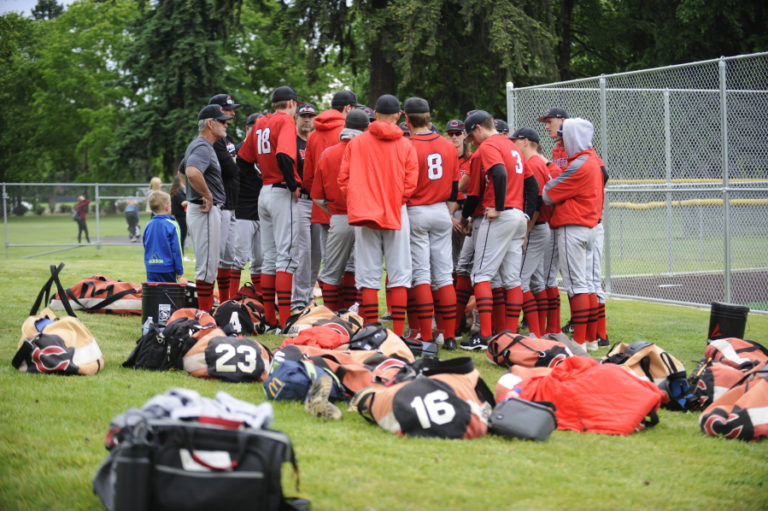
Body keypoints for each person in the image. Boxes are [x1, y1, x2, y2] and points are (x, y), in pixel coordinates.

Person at [338, 93, 418, 336]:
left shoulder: (356, 143)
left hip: (365, 211)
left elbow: (343, 180)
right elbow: (411, 182)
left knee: (367, 274)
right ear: (398, 116)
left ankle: (370, 331)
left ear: (374, 114)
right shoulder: (406, 144)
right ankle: (397, 333)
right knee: (400, 273)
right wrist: (393, 202)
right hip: (396, 210)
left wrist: (360, 201)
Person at [458, 110, 539, 350]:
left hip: (500, 216)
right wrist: (525, 214)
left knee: (480, 275)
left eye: (471, 136)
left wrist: (499, 206)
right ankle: (510, 336)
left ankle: (485, 337)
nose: (472, 142)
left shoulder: (490, 145)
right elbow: (532, 185)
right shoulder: (512, 147)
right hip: (518, 217)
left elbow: (499, 173)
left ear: (478, 128)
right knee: (511, 279)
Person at [237, 86, 300, 330]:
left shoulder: (261, 122)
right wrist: (292, 184)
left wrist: (261, 181)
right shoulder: (286, 120)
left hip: (264, 192)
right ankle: (284, 321)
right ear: (292, 103)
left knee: (270, 257)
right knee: (286, 256)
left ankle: (271, 319)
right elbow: (284, 155)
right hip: (281, 192)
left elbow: (243, 160)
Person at [403, 97, 460, 353]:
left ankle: (426, 336)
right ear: (428, 116)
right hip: (441, 210)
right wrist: (448, 210)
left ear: (407, 118)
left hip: (416, 210)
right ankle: (449, 336)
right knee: (445, 276)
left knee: (422, 275)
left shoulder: (407, 145)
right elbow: (455, 187)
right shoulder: (448, 145)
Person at [542, 117, 605, 350]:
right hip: (588, 227)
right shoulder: (592, 159)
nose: (562, 140)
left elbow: (548, 194)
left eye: (565, 135)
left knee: (576, 286)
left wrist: (550, 167)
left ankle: (578, 342)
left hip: (574, 227)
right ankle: (590, 339)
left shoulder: (580, 163)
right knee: (586, 284)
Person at [303, 90, 361, 309]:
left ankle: (330, 313)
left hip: (325, 208)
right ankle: (349, 311)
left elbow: (308, 178)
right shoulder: (353, 133)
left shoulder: (313, 134)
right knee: (352, 265)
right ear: (348, 108)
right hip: (353, 210)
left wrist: (327, 204)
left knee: (330, 265)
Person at [311, 109, 369, 311]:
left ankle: (330, 314)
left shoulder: (328, 153)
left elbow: (317, 196)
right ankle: (359, 314)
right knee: (364, 272)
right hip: (365, 217)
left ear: (345, 128)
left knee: (331, 271)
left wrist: (333, 209)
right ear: (365, 129)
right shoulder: (369, 152)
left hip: (339, 216)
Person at [181, 104, 231, 312]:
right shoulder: (202, 146)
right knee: (207, 267)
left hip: (202, 210)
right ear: (210, 123)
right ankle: (204, 314)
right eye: (222, 121)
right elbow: (191, 171)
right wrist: (207, 195)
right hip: (205, 210)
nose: (226, 124)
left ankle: (206, 312)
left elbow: (182, 170)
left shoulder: (201, 145)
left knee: (209, 265)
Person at [510, 127, 550, 338]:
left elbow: (537, 203)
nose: (512, 144)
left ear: (525, 142)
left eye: (515, 141)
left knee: (519, 280)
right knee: (536, 281)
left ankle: (535, 332)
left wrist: (526, 232)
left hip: (535, 228)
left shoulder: (533, 164)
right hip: (540, 227)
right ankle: (540, 331)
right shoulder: (538, 162)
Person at [208, 93, 241, 302]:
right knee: (216, 256)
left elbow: (234, 164)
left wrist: (235, 159)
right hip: (220, 204)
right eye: (228, 110)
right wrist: (236, 159)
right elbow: (229, 168)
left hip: (232, 203)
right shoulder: (215, 140)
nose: (232, 114)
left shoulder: (227, 138)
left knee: (228, 256)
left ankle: (225, 300)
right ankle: (212, 301)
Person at [291, 102, 319, 314]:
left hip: (317, 201)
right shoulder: (293, 141)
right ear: (297, 118)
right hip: (300, 199)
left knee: (316, 252)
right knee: (303, 250)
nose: (307, 119)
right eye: (304, 116)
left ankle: (308, 295)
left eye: (310, 116)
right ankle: (298, 299)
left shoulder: (316, 140)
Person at [232, 113, 264, 296]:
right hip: (242, 209)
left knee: (260, 259)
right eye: (255, 127)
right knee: (238, 258)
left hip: (262, 210)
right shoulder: (237, 150)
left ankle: (258, 297)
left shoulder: (266, 151)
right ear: (247, 128)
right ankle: (230, 299)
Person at [143, 190, 183, 283]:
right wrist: (179, 269)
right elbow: (177, 249)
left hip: (151, 268)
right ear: (167, 207)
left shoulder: (148, 225)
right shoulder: (172, 225)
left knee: (154, 291)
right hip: (168, 269)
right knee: (170, 291)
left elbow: (146, 245)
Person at [169, 175, 188, 259]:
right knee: (182, 236)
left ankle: (180, 254)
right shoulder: (178, 192)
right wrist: (192, 201)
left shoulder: (176, 192)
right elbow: (183, 203)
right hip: (181, 216)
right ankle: (181, 254)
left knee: (181, 236)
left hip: (179, 216)